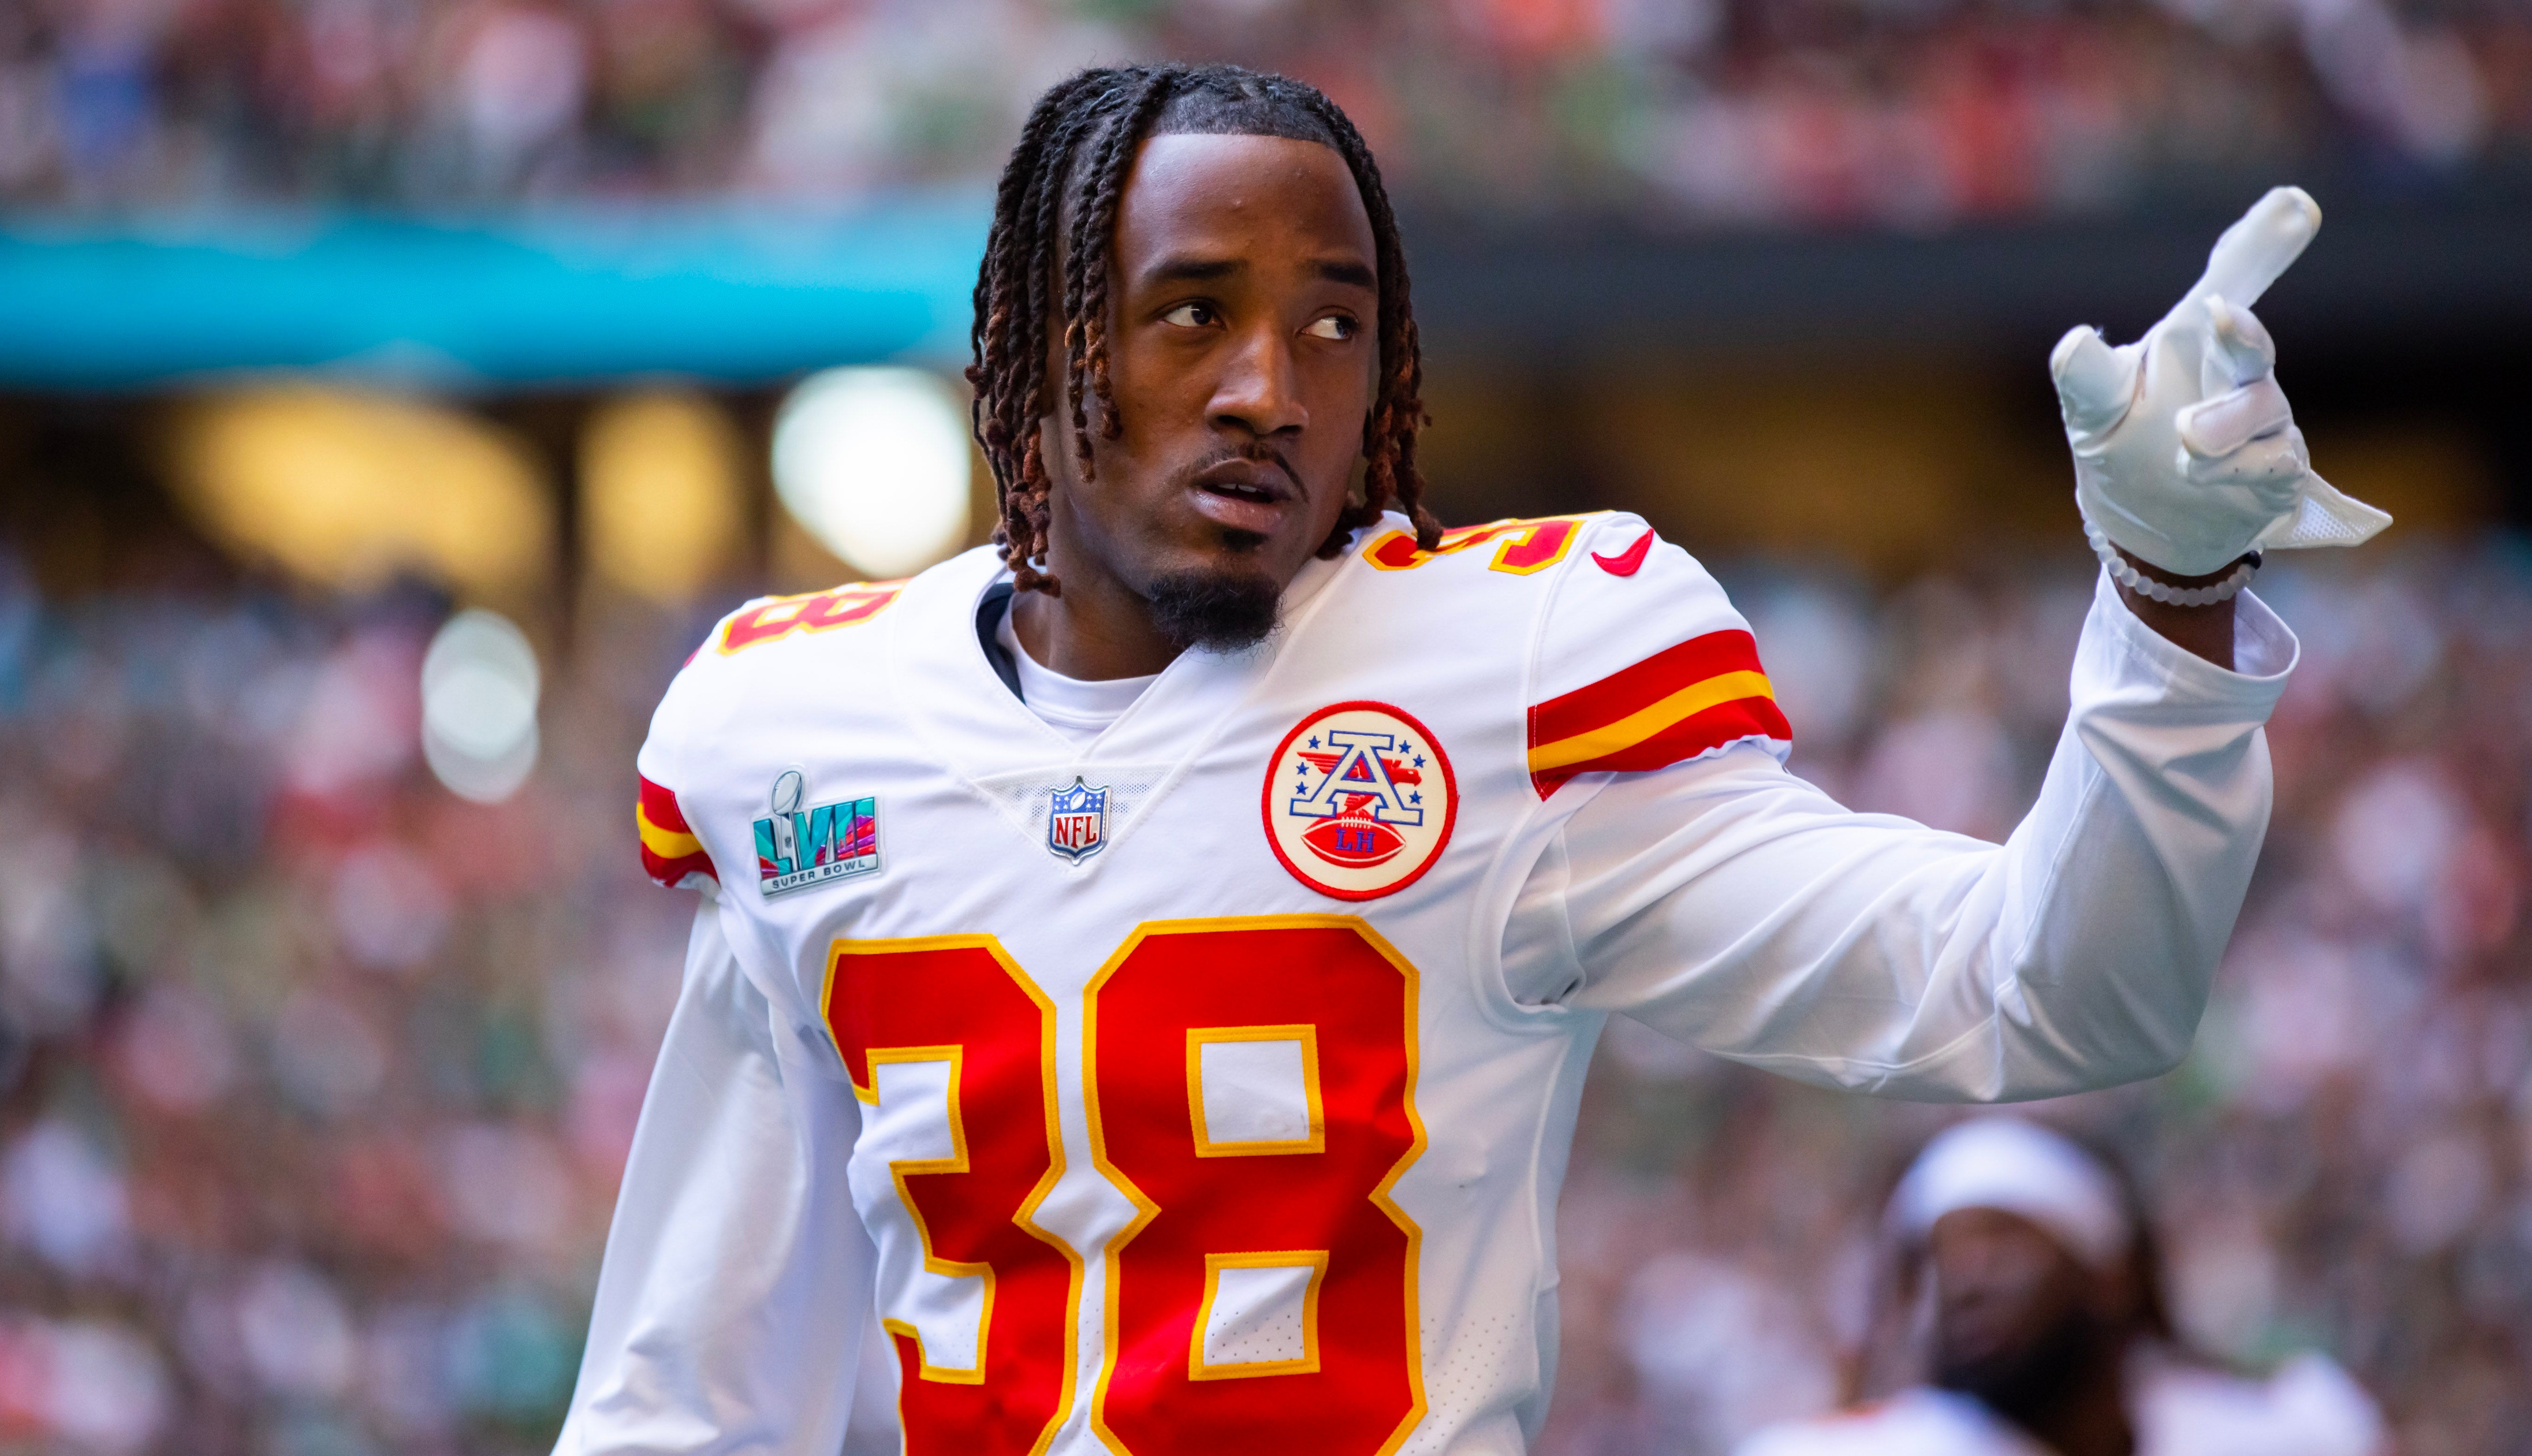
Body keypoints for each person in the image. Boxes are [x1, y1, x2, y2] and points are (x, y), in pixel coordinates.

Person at [555, 63, 2385, 1456]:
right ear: (1044, 347)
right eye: (1197, 308)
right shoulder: (797, 731)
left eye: (1337, 322)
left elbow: (2047, 994)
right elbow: (686, 1394)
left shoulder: (1512, 676)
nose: (1275, 382)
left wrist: (2167, 598)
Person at [1734, 1119, 2387, 1456]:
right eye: (1942, 1257)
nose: (1967, 1279)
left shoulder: (2285, 1431)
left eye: (2004, 1243)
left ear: (2111, 1274)